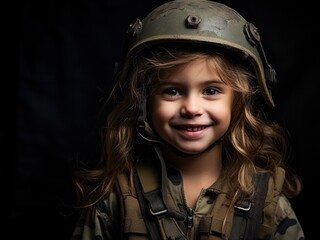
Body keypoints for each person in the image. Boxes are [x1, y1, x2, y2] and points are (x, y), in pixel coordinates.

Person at [70, 0, 305, 239]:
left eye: (211, 91)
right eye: (172, 91)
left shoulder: (267, 204)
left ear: (238, 102)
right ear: (144, 102)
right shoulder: (116, 199)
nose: (191, 108)